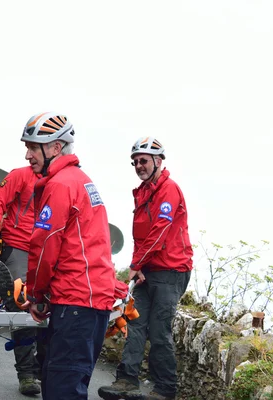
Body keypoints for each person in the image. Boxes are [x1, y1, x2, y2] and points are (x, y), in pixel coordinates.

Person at [20, 112, 118, 399]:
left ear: (55, 148)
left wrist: (37, 295)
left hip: (77, 300)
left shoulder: (60, 184)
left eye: (32, 147)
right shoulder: (80, 179)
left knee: (63, 390)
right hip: (88, 298)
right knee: (62, 383)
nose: (27, 155)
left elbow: (45, 247)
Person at [98, 137, 193, 400]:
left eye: (144, 161)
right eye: (135, 162)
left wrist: (135, 264)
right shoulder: (142, 191)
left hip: (171, 270)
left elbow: (160, 231)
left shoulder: (169, 190)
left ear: (158, 161)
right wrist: (139, 266)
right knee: (135, 323)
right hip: (147, 270)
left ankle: (165, 389)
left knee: (159, 330)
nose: (139, 165)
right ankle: (127, 381)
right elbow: (142, 236)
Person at [0, 165, 43, 395]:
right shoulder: (20, 175)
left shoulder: (62, 181)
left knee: (49, 310)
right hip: (17, 246)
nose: (30, 153)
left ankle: (42, 369)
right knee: (22, 304)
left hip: (48, 253)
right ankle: (26, 374)